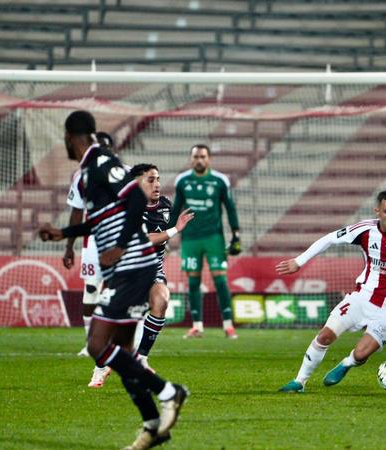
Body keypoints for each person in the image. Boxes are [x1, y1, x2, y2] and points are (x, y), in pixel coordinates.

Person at [39, 110, 188, 450]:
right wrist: (63, 232)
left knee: (96, 345)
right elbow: (99, 221)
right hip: (126, 268)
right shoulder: (86, 173)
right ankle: (152, 425)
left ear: (69, 137)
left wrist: (120, 245)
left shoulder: (101, 161)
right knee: (122, 352)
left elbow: (136, 196)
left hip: (133, 265)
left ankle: (169, 392)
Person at [277, 190, 386, 393]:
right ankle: (300, 381)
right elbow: (329, 239)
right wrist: (299, 261)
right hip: (362, 297)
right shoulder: (364, 230)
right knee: (325, 336)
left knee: (362, 354)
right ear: (377, 211)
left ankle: (347, 363)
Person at [169, 144, 241, 339]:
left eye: (202, 157)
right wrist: (167, 232)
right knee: (193, 281)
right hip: (190, 238)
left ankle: (228, 325)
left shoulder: (219, 180)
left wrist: (236, 233)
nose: (199, 160)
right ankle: (197, 326)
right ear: (191, 159)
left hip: (214, 238)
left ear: (208, 159)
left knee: (220, 279)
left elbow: (230, 207)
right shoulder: (182, 180)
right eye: (196, 157)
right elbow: (176, 209)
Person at [63, 131, 115, 388]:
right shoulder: (82, 175)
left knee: (120, 290)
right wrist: (69, 247)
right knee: (92, 289)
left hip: (119, 239)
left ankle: (126, 347)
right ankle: (90, 343)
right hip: (92, 240)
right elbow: (76, 212)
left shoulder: (123, 174)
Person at [130, 163, 194, 371]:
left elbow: (164, 238)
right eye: (151, 180)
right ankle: (102, 366)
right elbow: (145, 240)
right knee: (120, 323)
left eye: (158, 179)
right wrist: (176, 229)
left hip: (152, 269)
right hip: (127, 270)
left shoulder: (166, 205)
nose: (157, 184)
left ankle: (141, 357)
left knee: (162, 300)